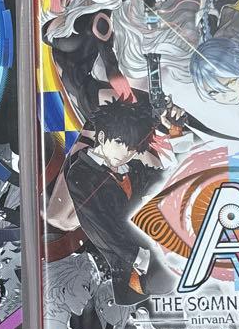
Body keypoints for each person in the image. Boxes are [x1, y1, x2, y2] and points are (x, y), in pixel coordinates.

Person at [64, 100, 177, 304]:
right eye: (118, 143)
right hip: (132, 268)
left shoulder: (133, 169)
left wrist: (174, 131)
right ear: (101, 137)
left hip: (153, 250)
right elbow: (100, 225)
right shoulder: (80, 174)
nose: (124, 153)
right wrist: (135, 256)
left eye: (132, 149)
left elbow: (170, 176)